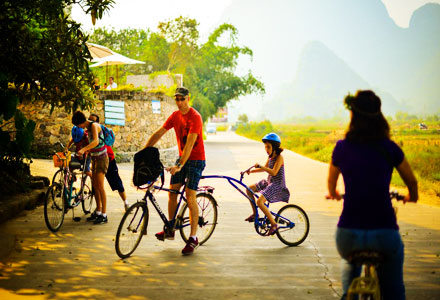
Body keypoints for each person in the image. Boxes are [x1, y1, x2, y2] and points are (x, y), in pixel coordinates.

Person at [326, 90, 418, 300]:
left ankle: (349, 294)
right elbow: (411, 181)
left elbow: (331, 181)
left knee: (349, 266)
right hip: (384, 234)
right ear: (379, 117)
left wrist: (334, 193)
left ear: (353, 116)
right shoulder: (390, 148)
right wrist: (412, 196)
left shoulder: (342, 147)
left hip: (348, 236)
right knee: (394, 291)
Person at [144, 86, 205, 256]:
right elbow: (159, 133)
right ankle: (170, 228)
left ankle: (193, 238)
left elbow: (191, 144)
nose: (179, 102)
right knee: (172, 193)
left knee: (190, 195)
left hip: (196, 160)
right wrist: (144, 150)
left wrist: (180, 164)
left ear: (188, 98)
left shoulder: (195, 117)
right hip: (181, 160)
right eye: (176, 99)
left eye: (182, 99)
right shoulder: (175, 116)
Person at [244, 132, 290, 235]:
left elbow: (273, 172)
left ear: (274, 147)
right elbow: (264, 169)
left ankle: (274, 224)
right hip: (269, 182)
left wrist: (261, 166)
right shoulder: (270, 157)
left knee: (260, 202)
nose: (266, 149)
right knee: (248, 189)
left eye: (268, 147)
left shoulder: (279, 157)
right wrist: (250, 171)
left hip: (277, 185)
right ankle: (255, 214)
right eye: (265, 147)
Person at [72, 111, 109, 225]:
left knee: (100, 186)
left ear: (81, 123)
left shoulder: (93, 125)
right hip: (95, 158)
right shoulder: (88, 128)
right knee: (95, 186)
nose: (79, 128)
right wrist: (86, 151)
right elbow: (93, 144)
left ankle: (104, 214)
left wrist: (83, 149)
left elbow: (96, 141)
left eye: (78, 126)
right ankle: (98, 211)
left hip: (102, 158)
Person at [88, 113, 129, 211]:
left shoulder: (99, 131)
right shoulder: (88, 133)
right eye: (89, 120)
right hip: (97, 160)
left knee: (116, 182)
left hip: (108, 159)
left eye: (93, 121)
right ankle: (99, 208)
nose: (91, 123)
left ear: (97, 123)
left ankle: (126, 202)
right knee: (96, 185)